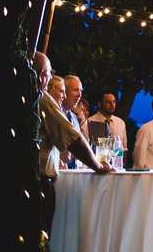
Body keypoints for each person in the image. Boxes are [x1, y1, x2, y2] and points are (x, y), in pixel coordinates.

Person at [31, 52, 109, 233]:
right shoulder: (41, 100)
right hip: (37, 183)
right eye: (49, 73)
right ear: (42, 75)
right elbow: (72, 139)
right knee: (39, 237)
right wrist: (96, 165)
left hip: (16, 183)